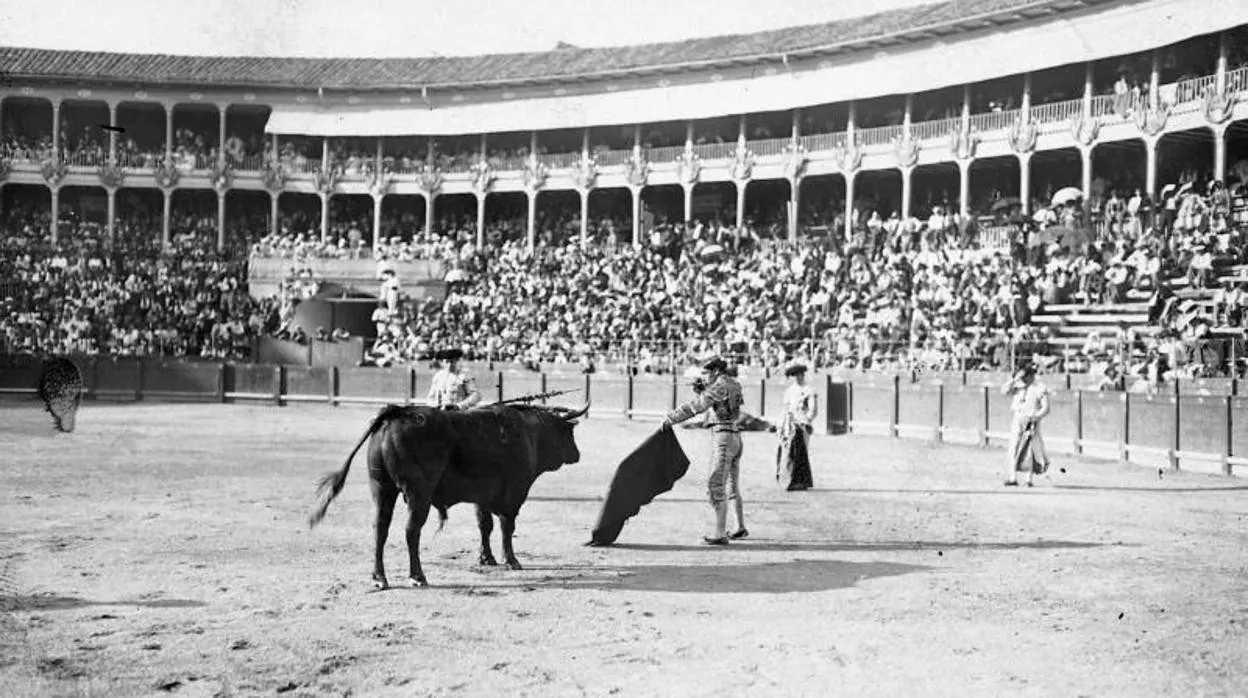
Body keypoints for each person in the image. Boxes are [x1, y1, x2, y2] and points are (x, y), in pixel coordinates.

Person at [662, 356, 746, 545]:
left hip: (723, 437)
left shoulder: (719, 386)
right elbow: (724, 406)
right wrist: (706, 390)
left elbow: (697, 407)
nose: (705, 376)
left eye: (707, 373)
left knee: (716, 485)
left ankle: (719, 533)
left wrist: (671, 418)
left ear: (716, 371)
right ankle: (739, 526)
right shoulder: (734, 383)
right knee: (732, 486)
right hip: (736, 437)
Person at [1001, 363, 1050, 487]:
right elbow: (1004, 391)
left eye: (1027, 375)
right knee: (1013, 447)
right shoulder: (1018, 385)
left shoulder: (1040, 387)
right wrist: (1014, 379)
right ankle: (1012, 477)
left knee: (1031, 449)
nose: (1026, 378)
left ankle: (1028, 479)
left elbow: (1046, 408)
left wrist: (1036, 417)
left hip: (1032, 420)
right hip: (1018, 418)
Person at [776, 362, 817, 491]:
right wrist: (781, 424)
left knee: (802, 450)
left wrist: (807, 421)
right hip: (790, 423)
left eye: (799, 375)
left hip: (802, 424)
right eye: (795, 375)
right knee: (789, 451)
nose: (797, 378)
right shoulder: (790, 391)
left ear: (803, 375)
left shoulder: (809, 390)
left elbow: (813, 409)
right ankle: (791, 479)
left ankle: (801, 480)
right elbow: (785, 408)